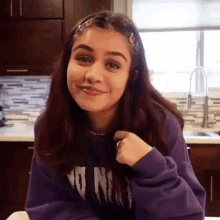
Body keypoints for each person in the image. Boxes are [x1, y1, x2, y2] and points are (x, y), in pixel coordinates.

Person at [25, 10, 206, 220]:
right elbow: (47, 206)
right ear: (67, 63)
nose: (92, 75)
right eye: (83, 58)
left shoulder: (162, 127)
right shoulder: (50, 126)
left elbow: (190, 216)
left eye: (112, 64)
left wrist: (150, 165)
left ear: (131, 76)